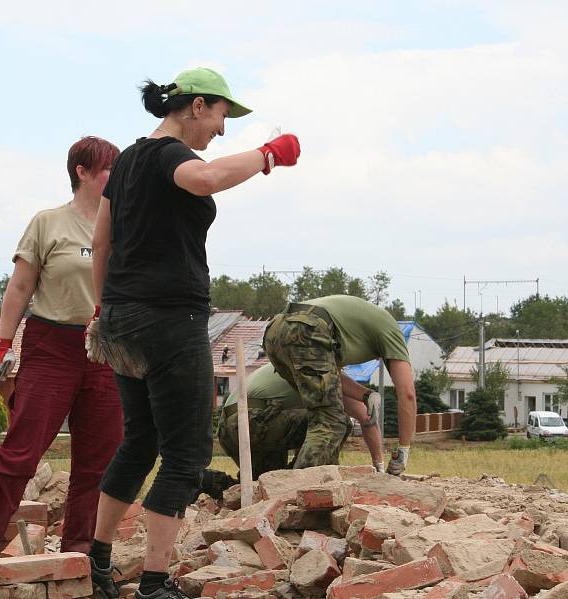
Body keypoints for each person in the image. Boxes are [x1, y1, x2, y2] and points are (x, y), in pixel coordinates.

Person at [84, 67, 300, 599]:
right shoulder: (168, 156)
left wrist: (101, 308)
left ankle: (99, 563)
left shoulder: (128, 161)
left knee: (139, 442)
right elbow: (204, 179)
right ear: (198, 106)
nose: (222, 131)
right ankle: (155, 583)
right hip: (168, 321)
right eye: (223, 116)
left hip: (122, 319)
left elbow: (102, 240)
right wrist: (269, 154)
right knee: (185, 454)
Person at [0, 136, 123, 569]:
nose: (115, 176)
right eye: (108, 168)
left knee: (99, 460)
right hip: (52, 345)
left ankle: (81, 552)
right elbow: (21, 287)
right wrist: (2, 343)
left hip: (105, 349)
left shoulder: (125, 225)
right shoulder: (49, 224)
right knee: (22, 451)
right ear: (82, 172)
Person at [259, 295, 416, 475]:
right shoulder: (392, 333)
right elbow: (408, 394)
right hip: (307, 328)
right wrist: (403, 452)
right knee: (331, 421)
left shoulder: (349, 331)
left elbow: (333, 385)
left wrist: (366, 395)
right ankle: (298, 487)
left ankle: (320, 481)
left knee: (332, 419)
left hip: (276, 329)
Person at [217, 362, 386, 477]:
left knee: (264, 483)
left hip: (230, 428)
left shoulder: (289, 360)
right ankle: (305, 482)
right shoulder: (322, 376)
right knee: (337, 420)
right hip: (256, 422)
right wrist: (379, 467)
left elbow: (307, 431)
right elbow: (366, 416)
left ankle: (208, 483)